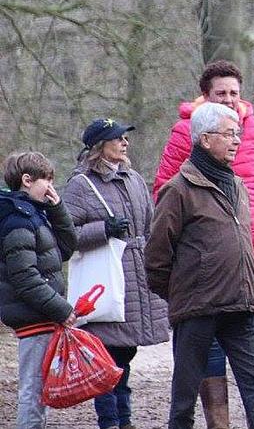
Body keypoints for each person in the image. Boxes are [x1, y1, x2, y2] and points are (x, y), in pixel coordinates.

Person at [153, 59, 254, 427]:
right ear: (205, 137)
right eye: (229, 135)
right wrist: (182, 287)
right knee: (186, 389)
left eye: (235, 93)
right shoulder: (179, 185)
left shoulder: (241, 180)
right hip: (197, 300)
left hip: (246, 289)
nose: (236, 140)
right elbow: (157, 253)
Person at [62, 118, 171, 429]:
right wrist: (103, 230)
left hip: (137, 278)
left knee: (125, 354)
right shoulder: (81, 185)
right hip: (105, 281)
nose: (125, 143)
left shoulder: (134, 179)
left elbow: (150, 225)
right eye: (117, 138)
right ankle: (113, 421)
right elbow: (64, 235)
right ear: (100, 146)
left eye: (125, 138)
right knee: (107, 355)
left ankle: (122, 419)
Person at [0, 151, 77, 429]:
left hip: (42, 316)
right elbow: (25, 277)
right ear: (27, 180)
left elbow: (65, 249)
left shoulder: (35, 215)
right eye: (47, 180)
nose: (51, 188)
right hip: (33, 319)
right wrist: (62, 309)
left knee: (39, 392)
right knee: (32, 391)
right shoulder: (17, 221)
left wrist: (57, 210)